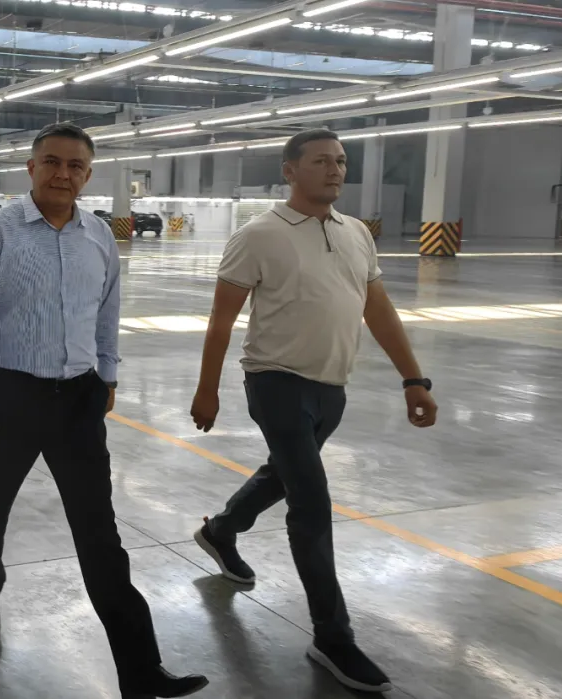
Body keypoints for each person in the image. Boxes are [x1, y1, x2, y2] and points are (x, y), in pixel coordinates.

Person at [0, 123, 208, 699]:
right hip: (8, 396)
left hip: (78, 400)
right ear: (31, 167)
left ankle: (141, 671)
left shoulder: (98, 236)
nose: (62, 174)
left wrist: (107, 375)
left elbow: (107, 311)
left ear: (88, 175)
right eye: (52, 162)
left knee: (100, 534)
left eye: (75, 166)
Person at [189, 129, 438, 694]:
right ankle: (333, 635)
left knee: (284, 473)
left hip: (332, 388)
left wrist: (413, 379)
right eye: (322, 161)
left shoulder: (356, 233)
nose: (335, 170)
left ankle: (221, 531)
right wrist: (208, 389)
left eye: (341, 161)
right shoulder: (259, 234)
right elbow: (222, 320)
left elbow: (378, 308)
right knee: (311, 502)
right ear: (290, 171)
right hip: (275, 382)